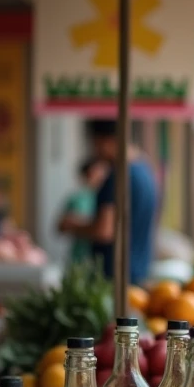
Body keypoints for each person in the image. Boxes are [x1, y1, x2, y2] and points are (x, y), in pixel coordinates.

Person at [60, 120, 159, 285]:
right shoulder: (145, 171)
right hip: (138, 271)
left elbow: (105, 230)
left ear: (106, 141)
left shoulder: (118, 177)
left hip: (114, 276)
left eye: (96, 145)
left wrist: (72, 224)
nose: (96, 152)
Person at [58, 157, 109, 264]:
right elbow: (62, 225)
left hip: (102, 256)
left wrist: (80, 223)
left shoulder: (107, 197)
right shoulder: (78, 198)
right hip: (81, 256)